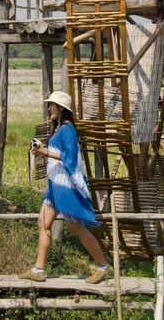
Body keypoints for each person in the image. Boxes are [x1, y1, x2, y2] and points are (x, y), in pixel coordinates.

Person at [19, 91, 111, 284]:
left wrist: (45, 152)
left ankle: (103, 267)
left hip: (66, 186)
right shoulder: (59, 128)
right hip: (55, 185)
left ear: (61, 108)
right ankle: (38, 269)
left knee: (77, 228)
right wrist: (43, 149)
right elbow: (58, 152)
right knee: (43, 223)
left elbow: (69, 157)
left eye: (52, 105)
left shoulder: (68, 129)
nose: (48, 108)